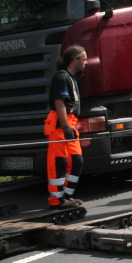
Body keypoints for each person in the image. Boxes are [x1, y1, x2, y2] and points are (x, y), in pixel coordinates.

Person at [44, 45, 87, 209]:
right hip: (61, 122)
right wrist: (66, 126)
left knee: (76, 160)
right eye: (84, 59)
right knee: (59, 161)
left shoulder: (72, 78)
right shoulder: (61, 77)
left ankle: (66, 196)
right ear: (75, 60)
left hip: (71, 122)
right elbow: (59, 103)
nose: (86, 63)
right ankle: (56, 199)